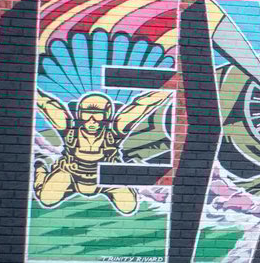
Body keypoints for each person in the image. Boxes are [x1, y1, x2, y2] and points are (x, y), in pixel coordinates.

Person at [32, 89, 172, 214]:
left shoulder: (114, 131)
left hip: (106, 176)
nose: (92, 121)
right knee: (47, 198)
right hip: (72, 173)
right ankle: (40, 169)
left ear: (107, 115)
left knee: (129, 206)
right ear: (80, 114)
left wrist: (170, 89)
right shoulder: (70, 130)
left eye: (98, 115)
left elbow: (142, 105)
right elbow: (47, 104)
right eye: (87, 115)